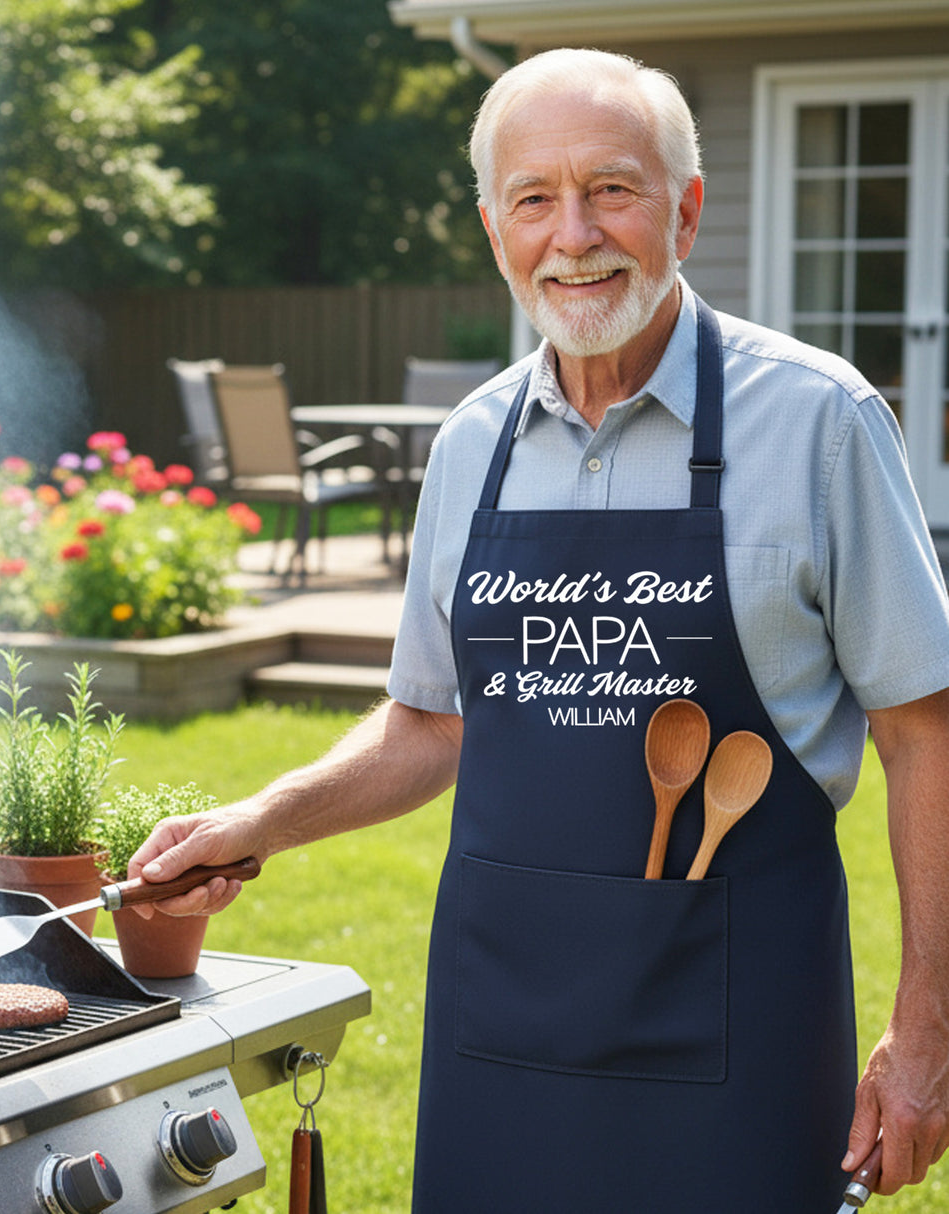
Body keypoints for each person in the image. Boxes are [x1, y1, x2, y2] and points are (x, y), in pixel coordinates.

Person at [130, 48, 949, 1210]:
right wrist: (258, 819)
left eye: (611, 188)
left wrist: (925, 1030)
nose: (573, 235)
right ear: (492, 228)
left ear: (685, 210)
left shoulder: (818, 421)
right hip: (498, 1029)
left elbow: (924, 733)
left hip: (735, 1029)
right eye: (532, 199)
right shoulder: (470, 444)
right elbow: (431, 723)